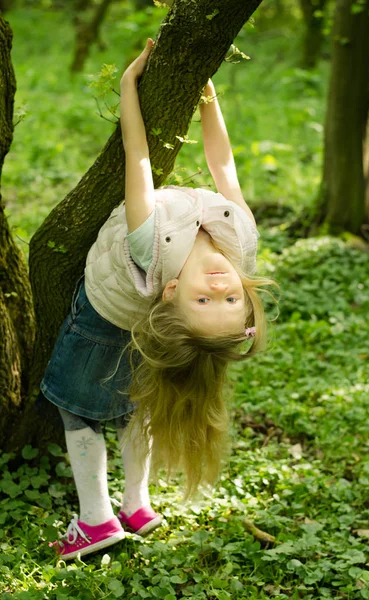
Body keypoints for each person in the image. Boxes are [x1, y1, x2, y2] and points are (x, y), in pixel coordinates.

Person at [41, 39, 272, 561]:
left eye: (204, 301)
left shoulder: (152, 242)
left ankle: (97, 520)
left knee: (77, 410)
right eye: (230, 297)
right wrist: (208, 100)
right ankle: (138, 506)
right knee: (133, 408)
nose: (218, 287)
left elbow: (139, 160)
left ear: (171, 294)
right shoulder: (241, 244)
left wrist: (129, 88)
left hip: (104, 313)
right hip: (144, 320)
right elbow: (224, 167)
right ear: (243, 284)